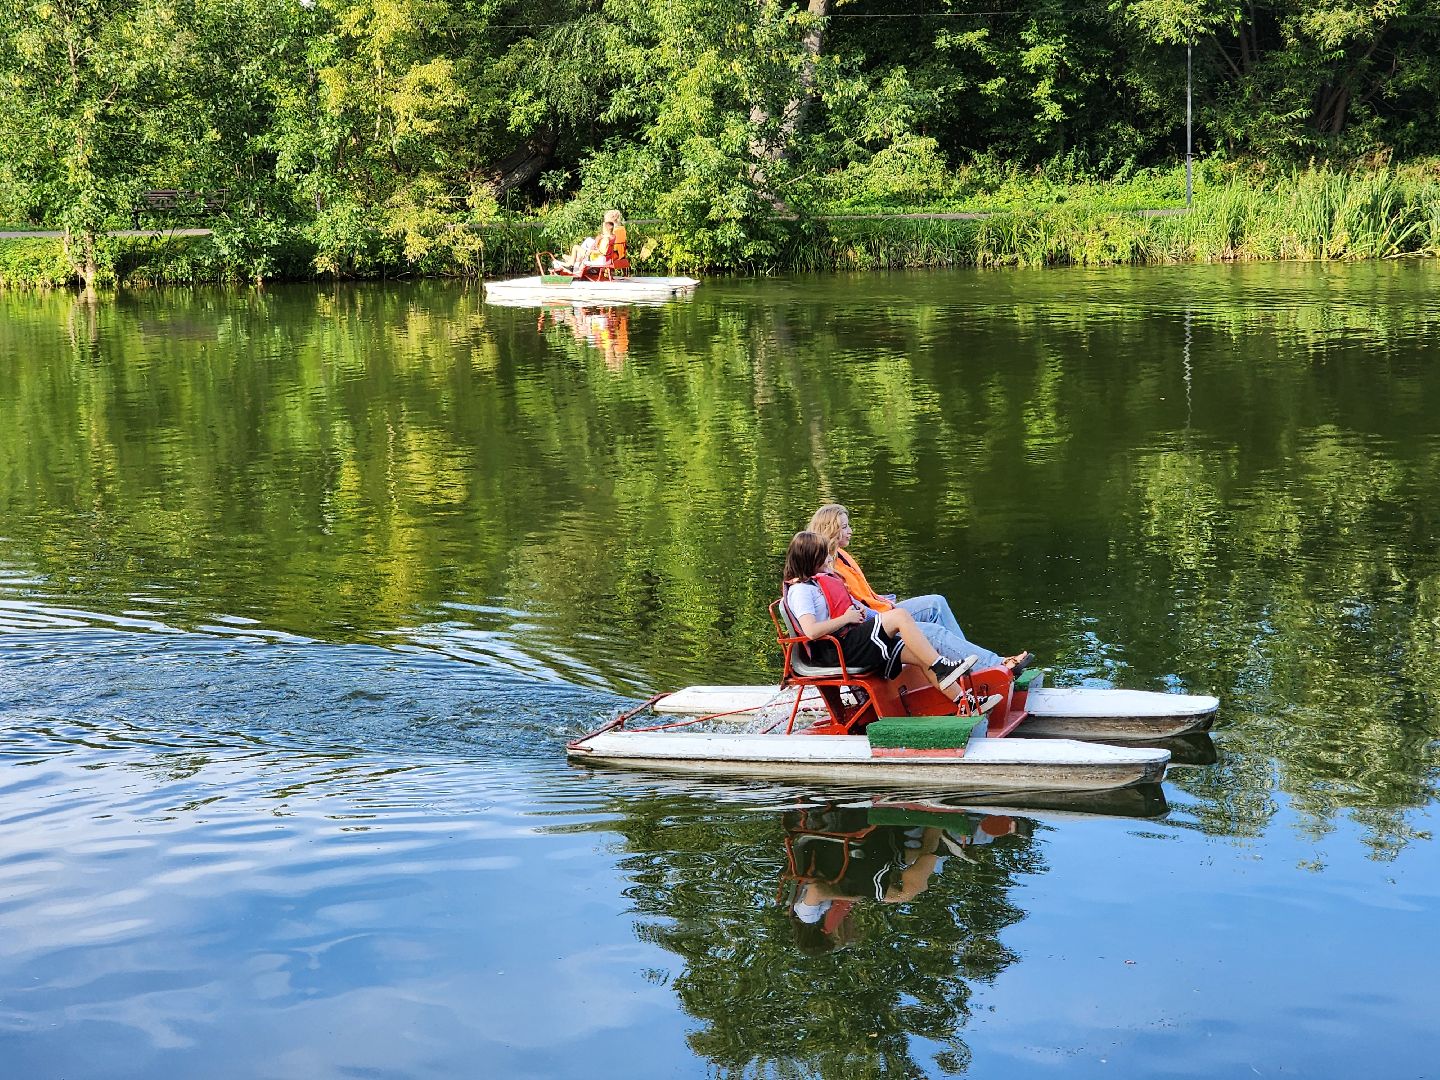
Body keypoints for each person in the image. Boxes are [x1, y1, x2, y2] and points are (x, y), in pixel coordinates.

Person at [806, 503, 1031, 675]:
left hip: (881, 610)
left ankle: (970, 664)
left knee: (935, 602)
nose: (850, 531)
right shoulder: (825, 567)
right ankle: (995, 665)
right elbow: (849, 609)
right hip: (870, 625)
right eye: (844, 527)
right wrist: (891, 616)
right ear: (831, 530)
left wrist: (886, 603)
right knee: (931, 632)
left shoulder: (841, 556)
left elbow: (863, 595)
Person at [781, 530, 975, 705]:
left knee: (921, 655)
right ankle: (941, 665)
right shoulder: (801, 591)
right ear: (811, 559)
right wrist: (847, 618)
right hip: (836, 650)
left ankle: (966, 702)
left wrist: (856, 610)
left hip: (847, 642)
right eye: (824, 556)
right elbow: (811, 631)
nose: (830, 559)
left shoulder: (816, 583)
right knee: (899, 616)